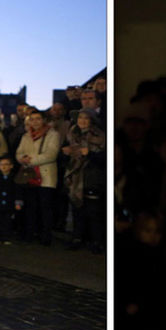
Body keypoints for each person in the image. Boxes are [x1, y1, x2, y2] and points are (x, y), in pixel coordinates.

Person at [15, 110, 59, 246]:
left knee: (45, 207)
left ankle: (45, 235)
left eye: (38, 119)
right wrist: (22, 159)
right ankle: (30, 233)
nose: (35, 122)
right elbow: (19, 152)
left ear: (44, 120)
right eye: (32, 119)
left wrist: (30, 160)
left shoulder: (53, 135)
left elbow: (51, 154)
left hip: (45, 175)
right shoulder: (26, 136)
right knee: (31, 206)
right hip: (30, 175)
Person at [64, 107, 105, 253]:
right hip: (75, 178)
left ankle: (96, 241)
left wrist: (90, 154)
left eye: (86, 118)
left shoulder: (99, 135)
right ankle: (77, 238)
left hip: (91, 177)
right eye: (80, 117)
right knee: (77, 209)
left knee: (93, 212)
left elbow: (104, 158)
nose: (82, 121)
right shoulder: (71, 134)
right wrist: (66, 152)